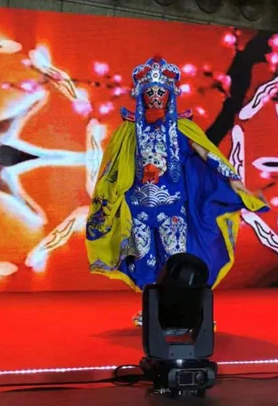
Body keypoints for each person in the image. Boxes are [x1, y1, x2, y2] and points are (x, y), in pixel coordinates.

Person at [85, 56, 267, 326]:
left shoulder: (183, 127)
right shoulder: (128, 130)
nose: (155, 98)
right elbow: (113, 168)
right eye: (150, 93)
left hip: (173, 208)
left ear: (170, 95)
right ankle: (152, 311)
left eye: (161, 92)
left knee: (178, 260)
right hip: (139, 210)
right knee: (144, 261)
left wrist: (232, 179)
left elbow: (208, 155)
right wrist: (106, 199)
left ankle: (188, 311)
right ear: (141, 95)